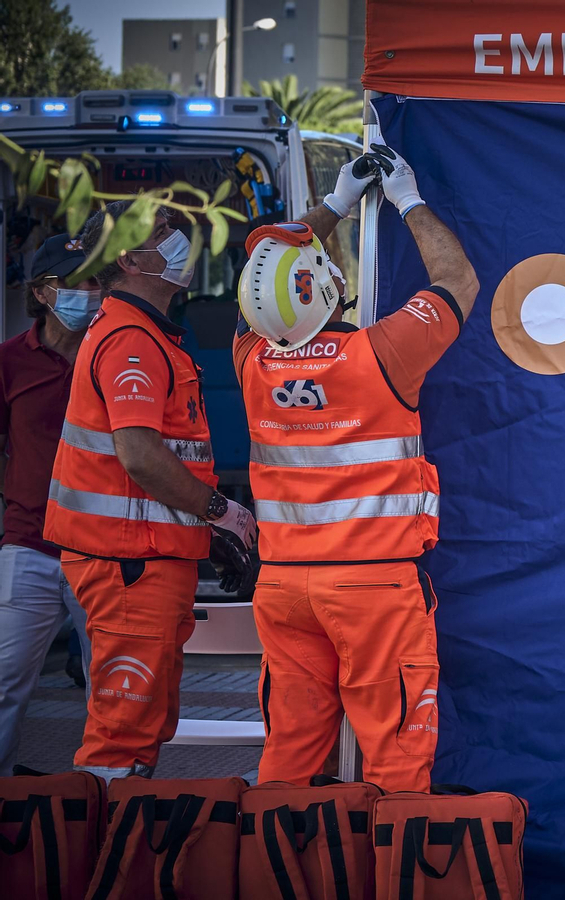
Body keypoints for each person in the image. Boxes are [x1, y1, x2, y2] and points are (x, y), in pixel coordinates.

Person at [234, 143, 478, 792]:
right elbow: (457, 282)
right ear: (325, 288)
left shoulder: (250, 359)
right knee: (397, 762)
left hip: (283, 587)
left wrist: (334, 204)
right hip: (372, 587)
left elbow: (262, 284)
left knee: (288, 762)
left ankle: (277, 853)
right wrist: (409, 201)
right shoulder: (382, 353)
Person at [43, 203, 259, 780]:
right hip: (128, 565)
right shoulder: (131, 341)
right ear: (129, 259)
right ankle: (101, 832)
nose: (177, 239)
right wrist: (220, 513)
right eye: (163, 232)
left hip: (142, 560)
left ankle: (122, 826)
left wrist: (202, 533)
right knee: (122, 732)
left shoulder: (143, 334)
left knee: (146, 724)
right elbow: (139, 456)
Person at [0, 235, 97, 774]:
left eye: (97, 279)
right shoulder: (9, 362)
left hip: (102, 550)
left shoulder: (114, 354)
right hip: (28, 545)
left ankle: (105, 802)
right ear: (41, 291)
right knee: (5, 682)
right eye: (76, 280)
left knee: (110, 692)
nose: (90, 290)